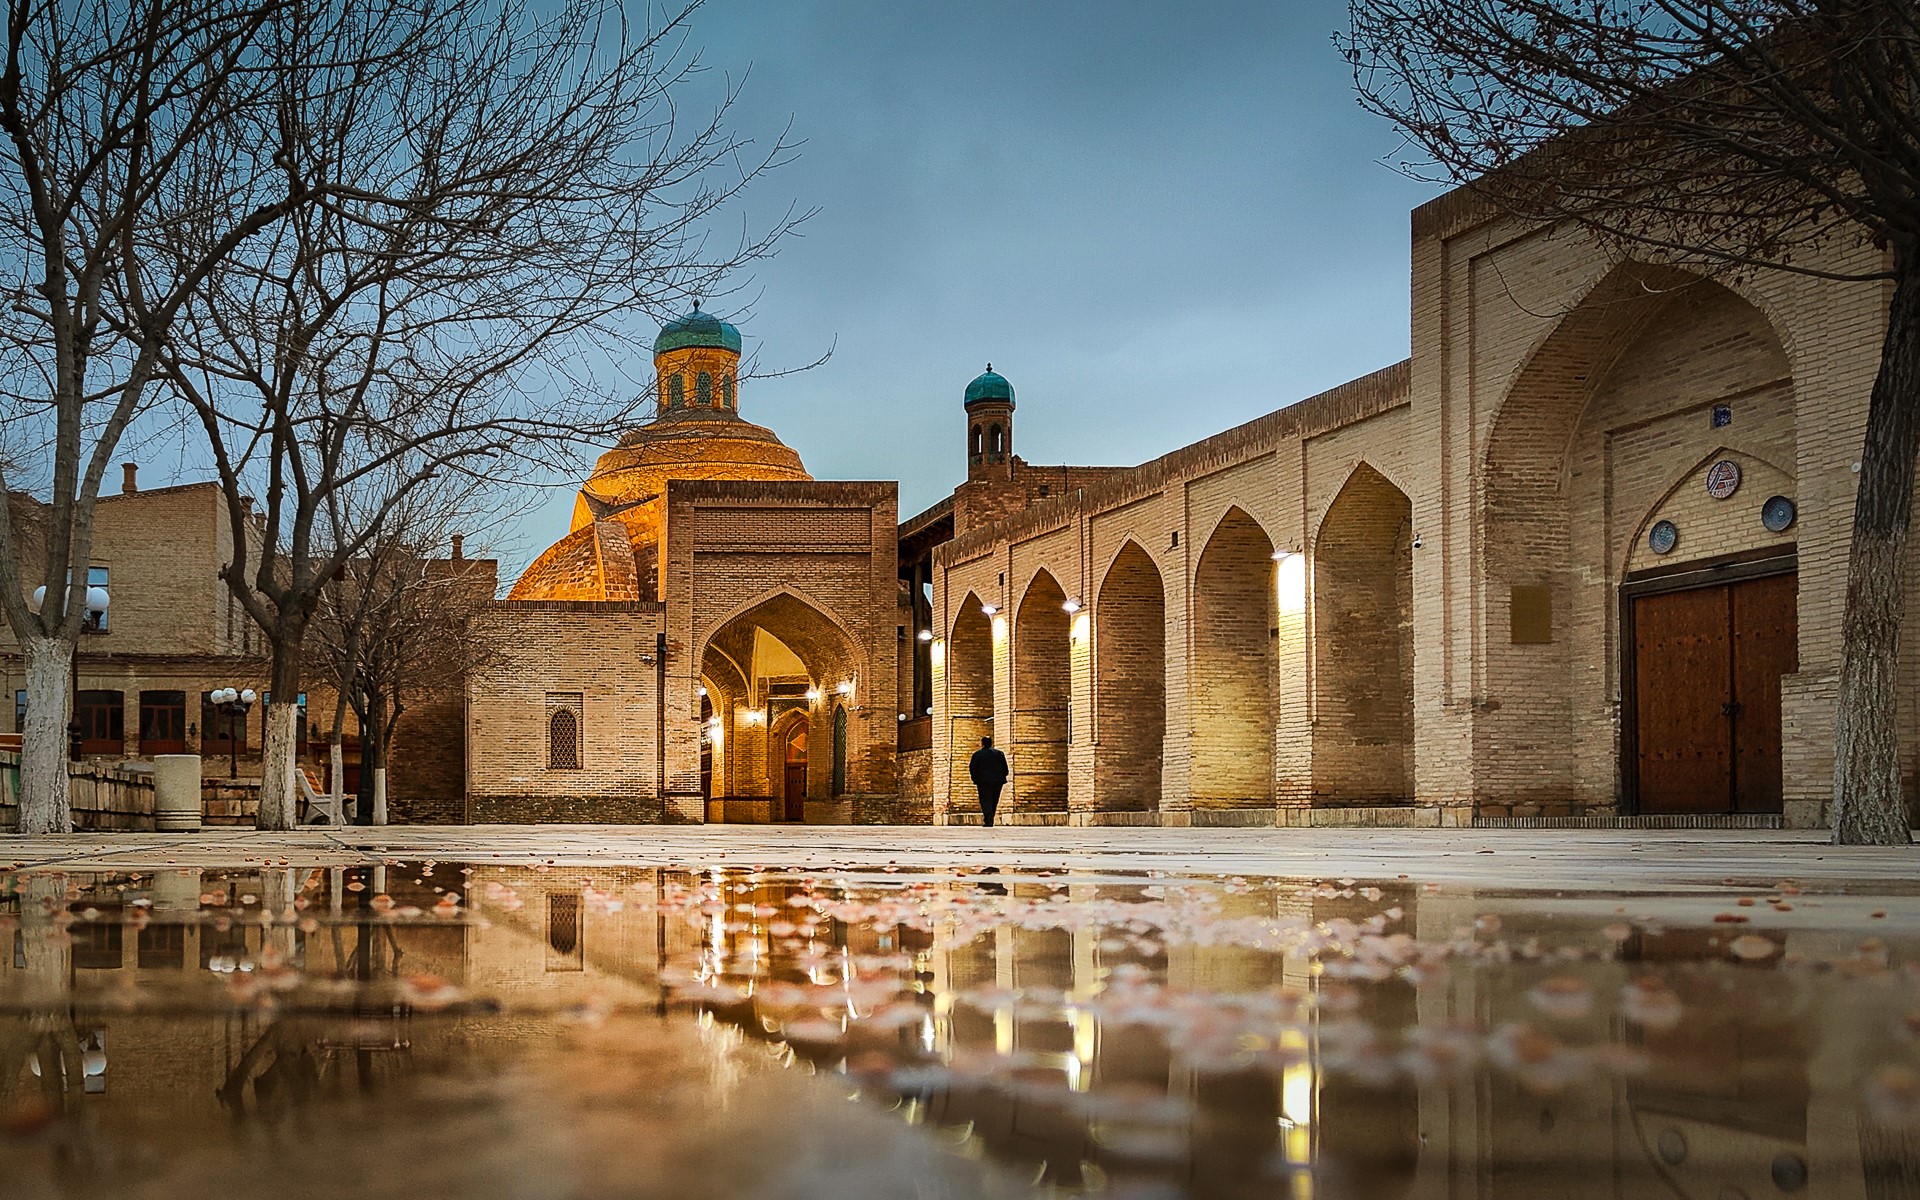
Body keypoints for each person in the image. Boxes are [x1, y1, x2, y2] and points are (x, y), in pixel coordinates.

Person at [968, 735, 1010, 827]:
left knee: (985, 800)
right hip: (997, 781)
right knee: (994, 800)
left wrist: (975, 779)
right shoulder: (999, 754)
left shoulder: (977, 754)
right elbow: (1005, 769)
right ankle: (990, 817)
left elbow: (972, 768)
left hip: (983, 782)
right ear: (992, 743)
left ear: (982, 743)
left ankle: (988, 819)